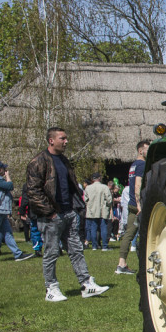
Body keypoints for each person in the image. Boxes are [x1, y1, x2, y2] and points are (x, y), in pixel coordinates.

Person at [25, 128, 109, 301]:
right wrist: (49, 213)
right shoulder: (38, 162)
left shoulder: (64, 161)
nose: (66, 142)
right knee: (51, 252)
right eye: (62, 138)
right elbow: (33, 191)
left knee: (76, 249)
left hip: (68, 213)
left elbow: (71, 187)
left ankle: (86, 284)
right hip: (52, 215)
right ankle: (51, 288)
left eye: (66, 138)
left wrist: (74, 209)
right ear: (51, 140)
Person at [0, 161, 35, 263]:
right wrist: (8, 176)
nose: (5, 171)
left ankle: (18, 254)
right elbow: (10, 186)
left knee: (8, 233)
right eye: (4, 169)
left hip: (0, 210)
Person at [116, 140, 150, 275]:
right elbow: (137, 185)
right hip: (137, 204)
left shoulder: (133, 165)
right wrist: (139, 205)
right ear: (141, 151)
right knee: (142, 234)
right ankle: (142, 264)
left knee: (129, 234)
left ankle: (122, 263)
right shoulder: (142, 165)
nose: (150, 151)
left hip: (131, 203)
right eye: (148, 148)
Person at [83, 173, 113, 251]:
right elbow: (109, 199)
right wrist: (108, 205)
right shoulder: (104, 187)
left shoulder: (88, 188)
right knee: (103, 227)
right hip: (103, 210)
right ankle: (104, 246)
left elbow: (85, 199)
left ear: (92, 179)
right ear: (99, 178)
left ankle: (94, 246)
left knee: (93, 228)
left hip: (92, 210)